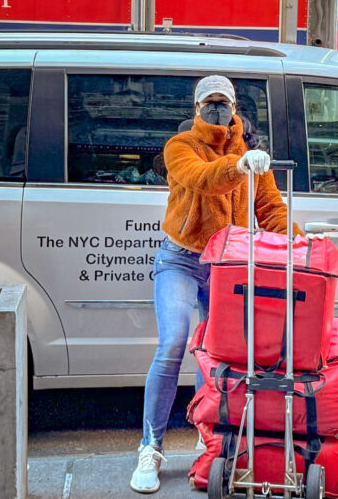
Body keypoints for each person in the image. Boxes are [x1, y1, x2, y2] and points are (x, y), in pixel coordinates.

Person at [130, 75, 302, 493]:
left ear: (235, 106)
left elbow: (270, 208)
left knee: (216, 356)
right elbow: (202, 178)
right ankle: (150, 447)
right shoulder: (179, 147)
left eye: (223, 101)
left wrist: (298, 240)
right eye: (209, 102)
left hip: (228, 266)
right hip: (182, 259)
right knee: (173, 343)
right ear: (196, 108)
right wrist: (238, 166)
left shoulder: (251, 153)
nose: (217, 108)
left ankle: (207, 439)